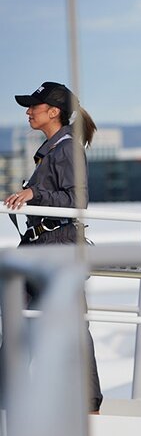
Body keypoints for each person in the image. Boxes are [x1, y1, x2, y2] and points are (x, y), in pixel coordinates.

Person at [2, 81, 103, 413]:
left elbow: (78, 199)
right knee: (17, 319)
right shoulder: (53, 149)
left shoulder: (67, 149)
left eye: (34, 106)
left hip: (58, 248)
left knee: (72, 325)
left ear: (54, 111)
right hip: (39, 247)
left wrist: (34, 194)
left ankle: (89, 404)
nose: (28, 111)